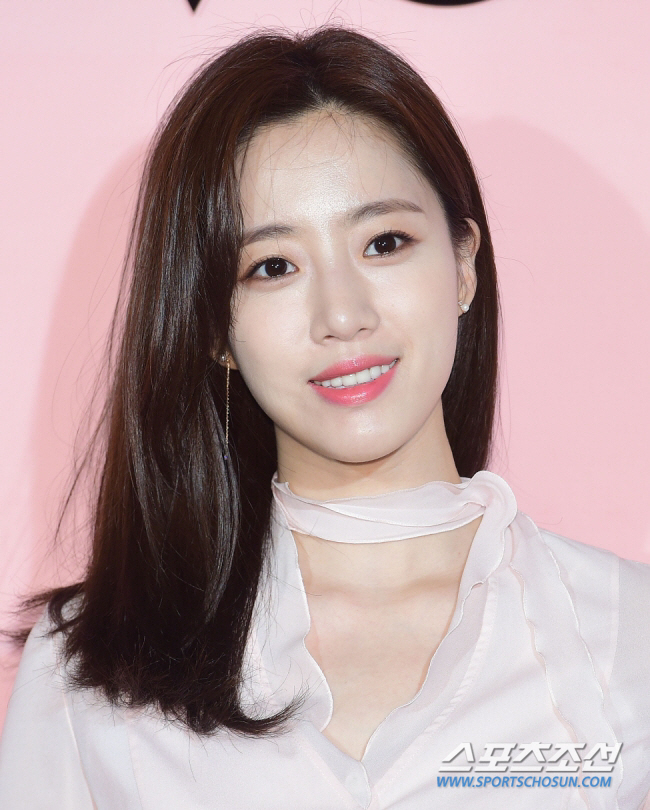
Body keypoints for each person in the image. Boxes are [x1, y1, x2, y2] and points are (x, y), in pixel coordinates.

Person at [0, 26, 648, 810]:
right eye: (273, 266)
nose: (342, 315)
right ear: (213, 327)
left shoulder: (629, 635)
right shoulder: (89, 668)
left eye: (385, 242)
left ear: (463, 264)